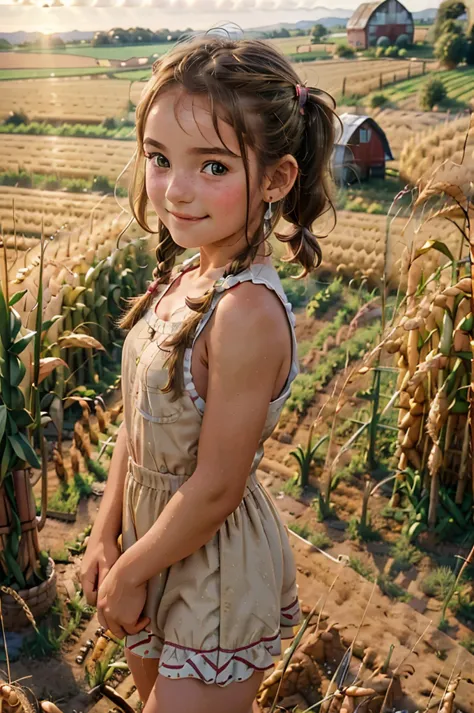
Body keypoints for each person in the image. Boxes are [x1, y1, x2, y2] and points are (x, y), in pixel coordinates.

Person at [80, 32, 337, 713]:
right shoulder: (188, 273)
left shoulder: (245, 312)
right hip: (147, 539)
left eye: (215, 167)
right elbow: (136, 425)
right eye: (160, 159)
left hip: (210, 566)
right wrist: (107, 534)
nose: (177, 190)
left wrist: (131, 568)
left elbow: (219, 486)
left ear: (277, 179)